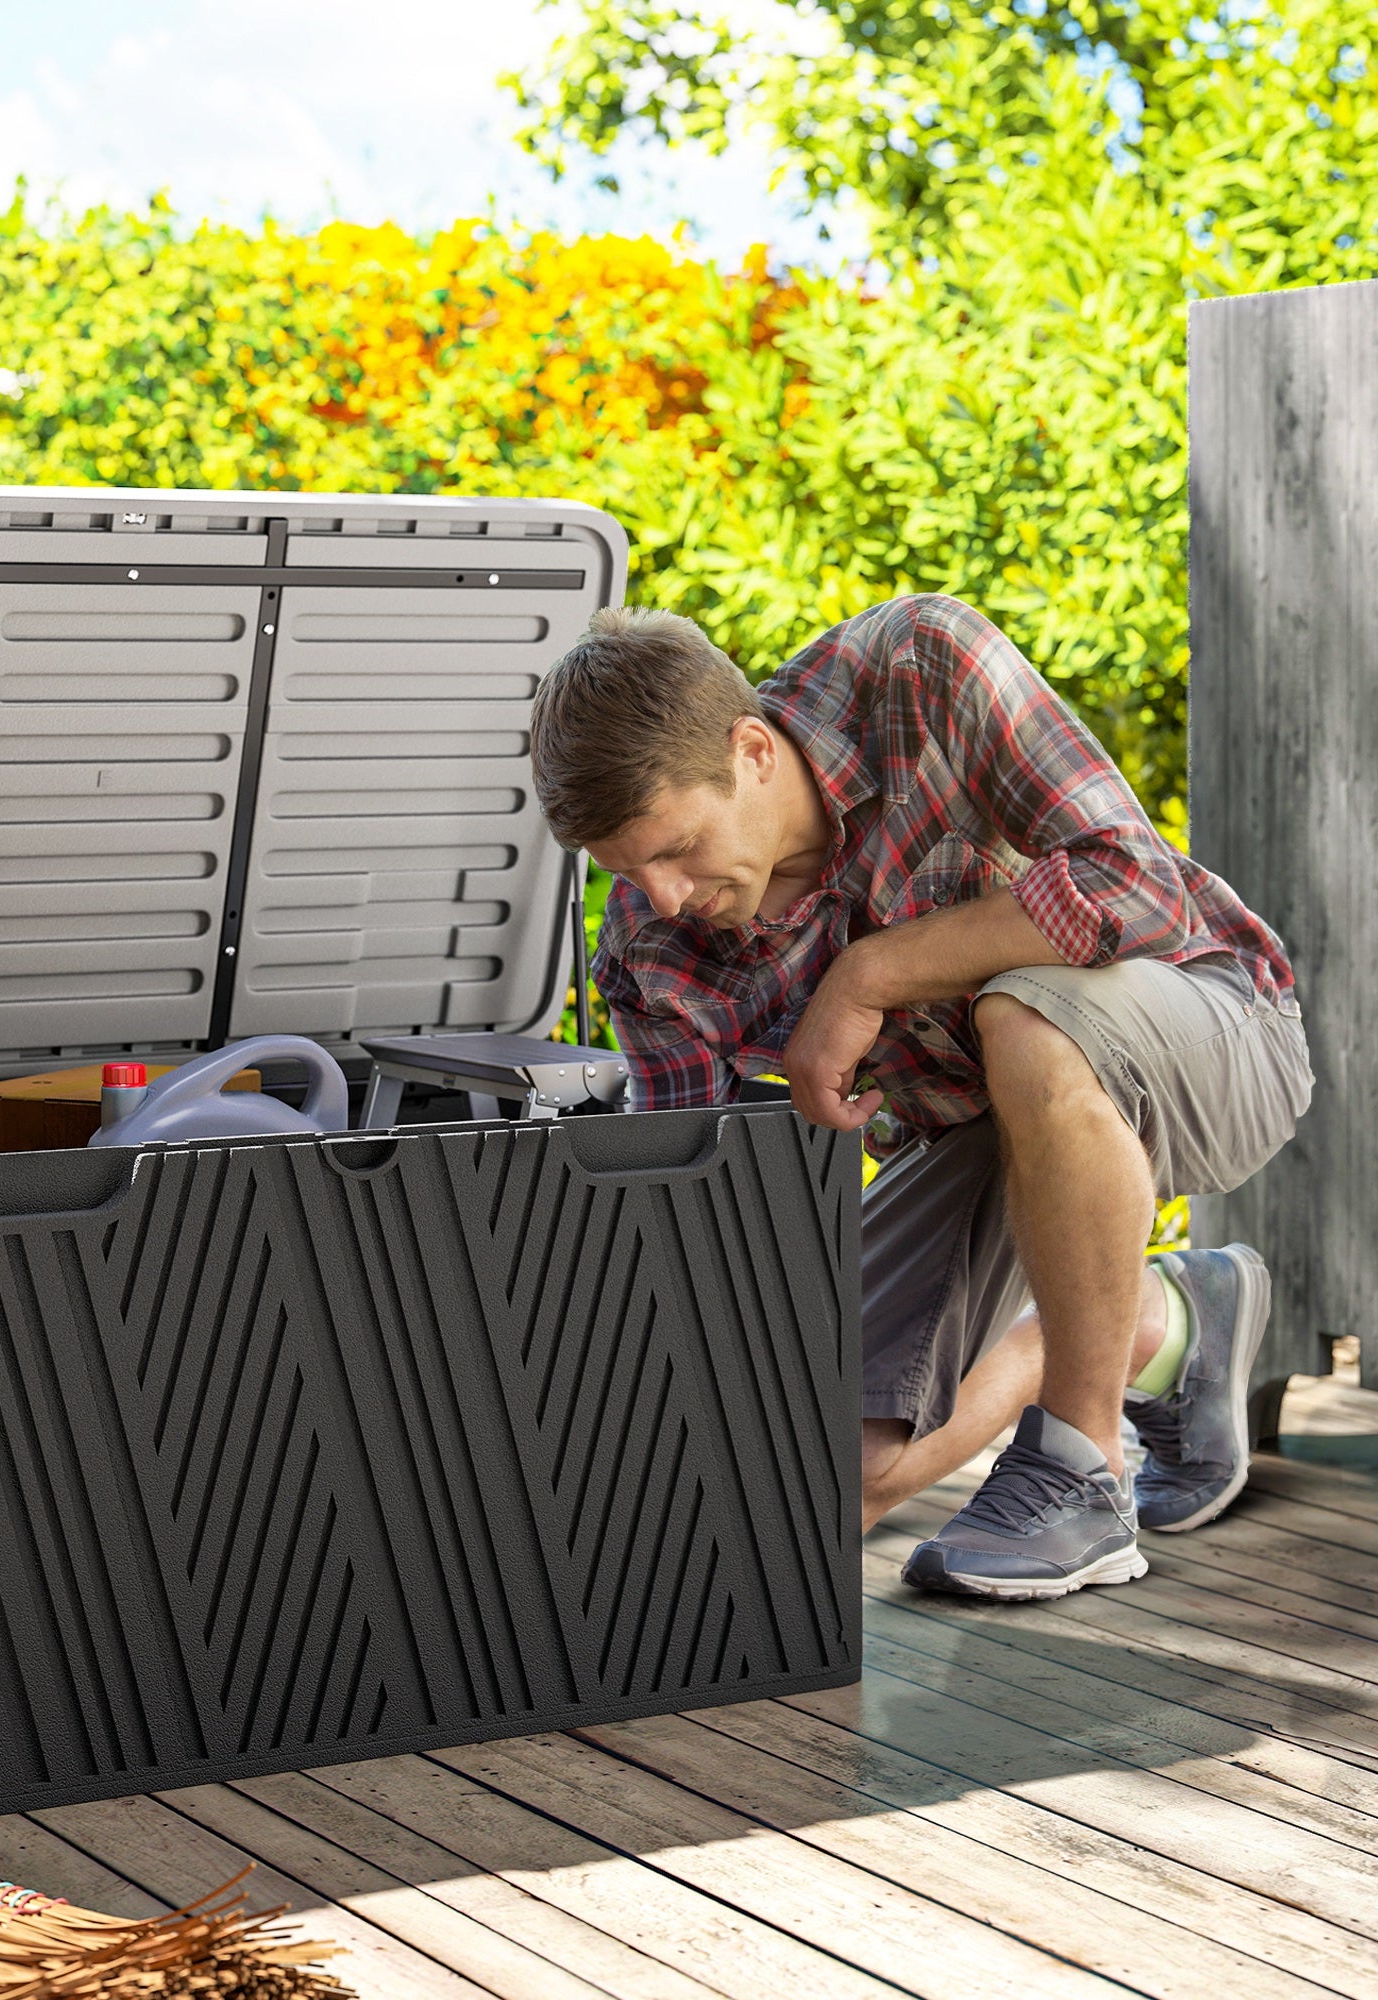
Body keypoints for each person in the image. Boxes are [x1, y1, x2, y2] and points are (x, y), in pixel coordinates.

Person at [530, 596, 1313, 1599]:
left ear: (752, 752)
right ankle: (1164, 1319)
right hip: (973, 1128)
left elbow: (1136, 887)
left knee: (1022, 1018)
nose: (663, 895)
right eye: (623, 870)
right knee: (814, 1479)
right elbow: (701, 1230)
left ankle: (1083, 1472)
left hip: (1210, 1032)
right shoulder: (653, 958)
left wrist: (870, 972)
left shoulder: (918, 668)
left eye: (676, 848)